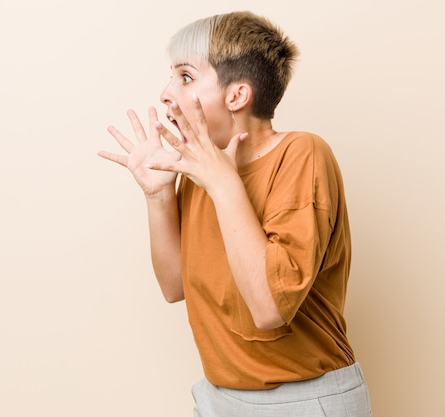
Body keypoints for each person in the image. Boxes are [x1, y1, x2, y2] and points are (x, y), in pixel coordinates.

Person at [98, 11, 372, 417]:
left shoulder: (301, 154)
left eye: (185, 77)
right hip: (218, 397)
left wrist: (224, 184)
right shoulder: (201, 173)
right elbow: (175, 286)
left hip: (302, 400)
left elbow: (269, 310)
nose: (165, 93)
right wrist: (158, 196)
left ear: (236, 96)